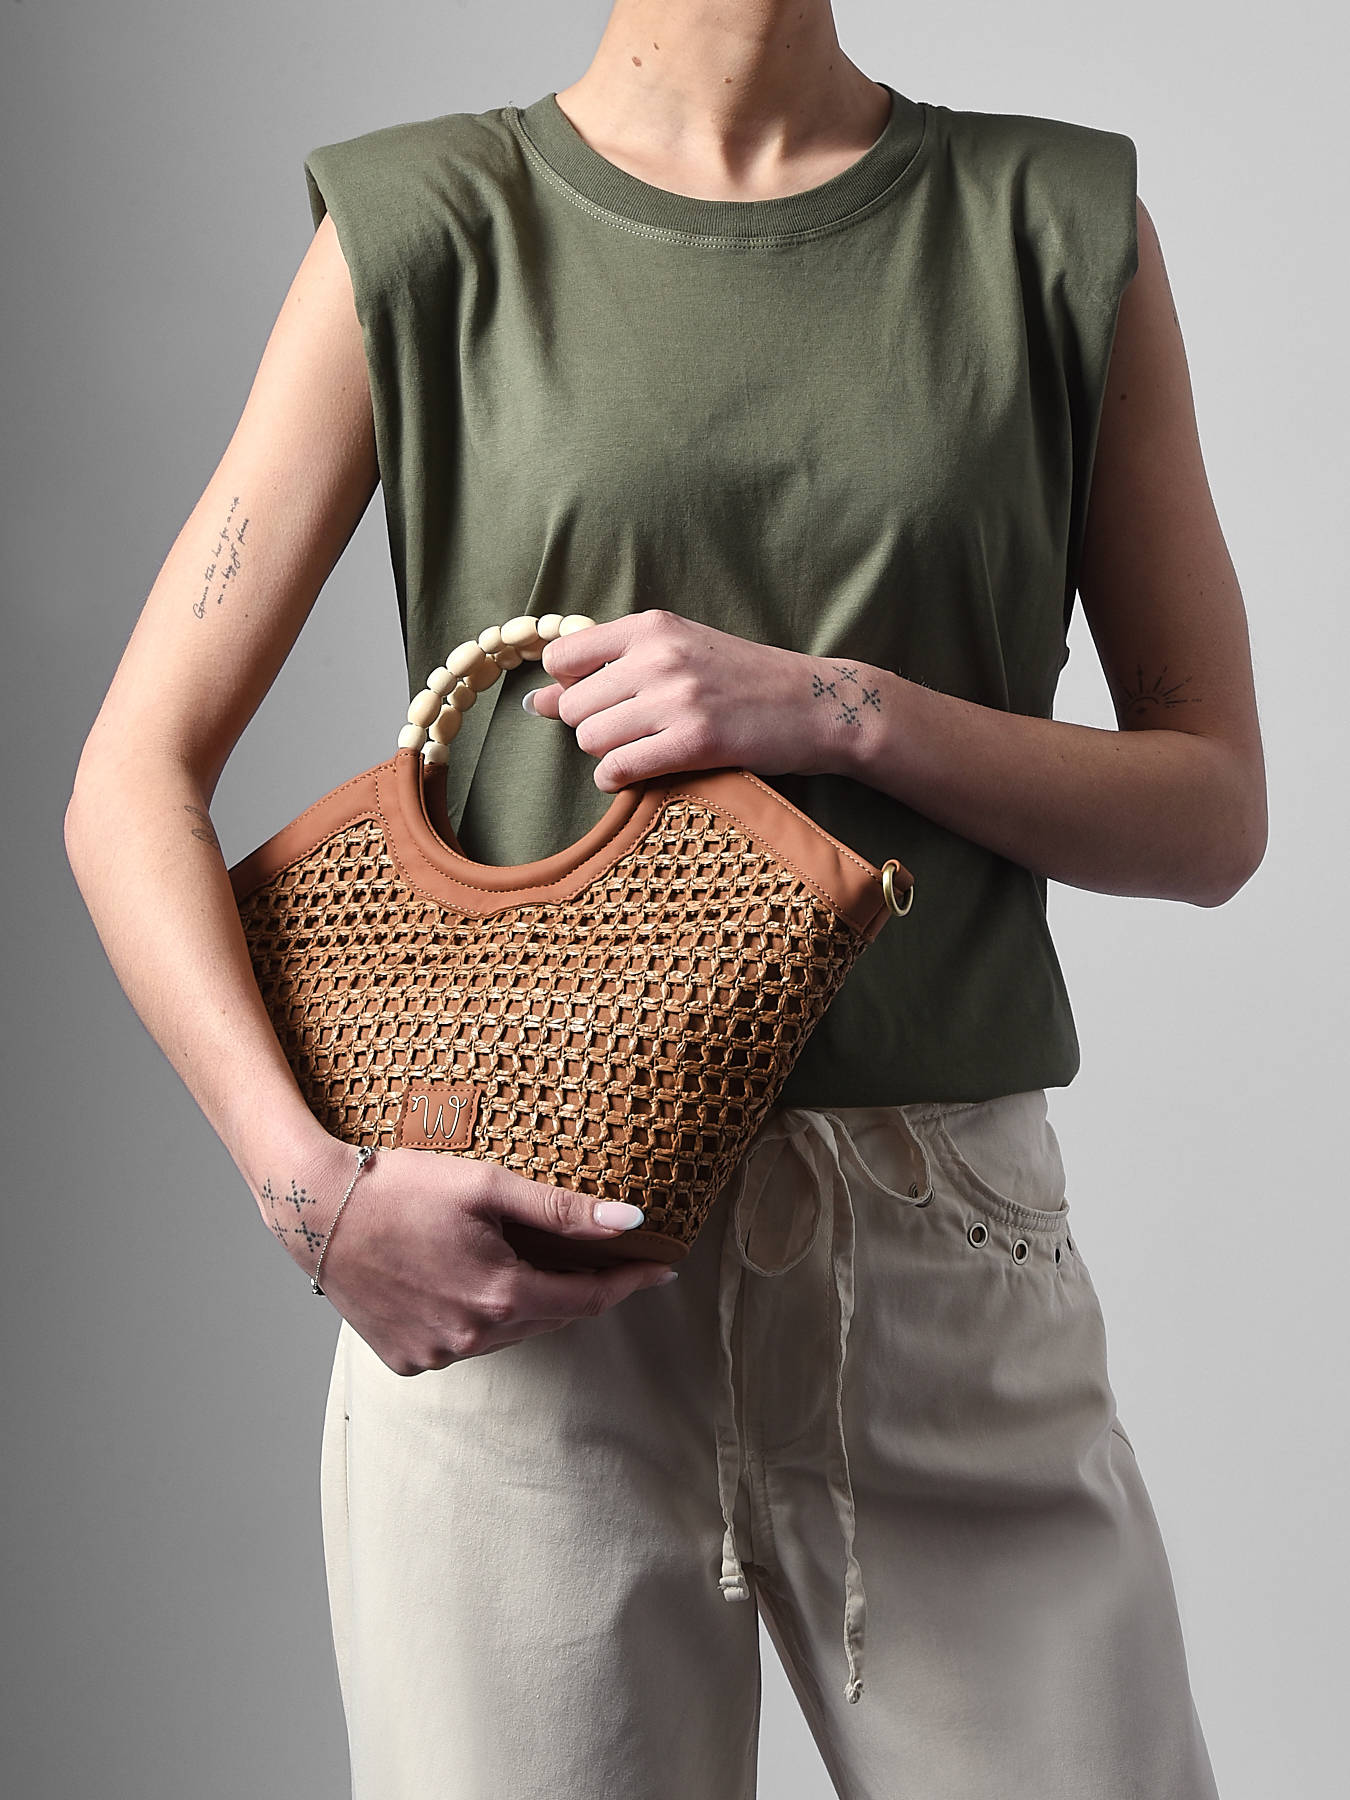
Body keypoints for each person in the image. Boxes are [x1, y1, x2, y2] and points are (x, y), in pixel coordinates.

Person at [64, 2, 1265, 1795]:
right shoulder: (427, 227)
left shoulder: (1049, 225)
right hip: (524, 1278)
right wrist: (311, 1197)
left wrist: (836, 707)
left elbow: (1210, 812)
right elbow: (128, 782)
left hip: (937, 1262)